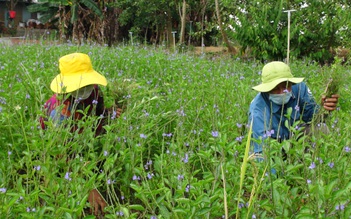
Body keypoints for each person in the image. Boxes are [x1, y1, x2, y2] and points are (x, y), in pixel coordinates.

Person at [40, 52, 120, 216]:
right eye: (79, 86)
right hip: (59, 150)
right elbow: (61, 153)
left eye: (87, 84)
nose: (85, 89)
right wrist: (89, 187)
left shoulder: (94, 91)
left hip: (81, 142)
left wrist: (108, 113)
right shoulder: (59, 113)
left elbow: (96, 113)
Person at [248, 61, 339, 159]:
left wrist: (324, 108)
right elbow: (261, 151)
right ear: (267, 89)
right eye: (275, 88)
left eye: (285, 86)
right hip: (272, 146)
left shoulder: (299, 89)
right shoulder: (258, 111)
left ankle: (315, 164)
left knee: (322, 129)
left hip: (293, 137)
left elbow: (313, 118)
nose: (282, 92)